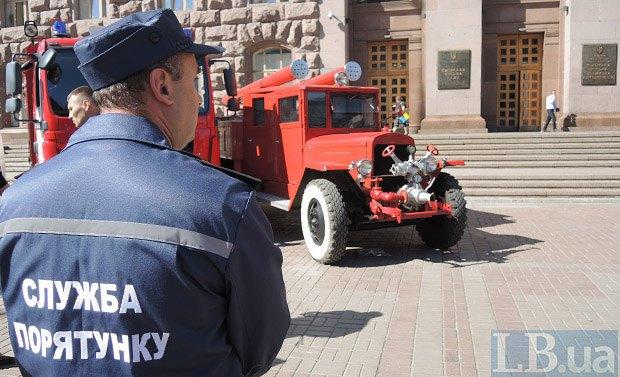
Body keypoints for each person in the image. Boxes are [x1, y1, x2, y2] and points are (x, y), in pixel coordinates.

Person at [0, 9, 289, 377]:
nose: (197, 96)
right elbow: (259, 349)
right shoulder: (221, 206)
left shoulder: (14, 203)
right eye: (195, 82)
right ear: (163, 86)